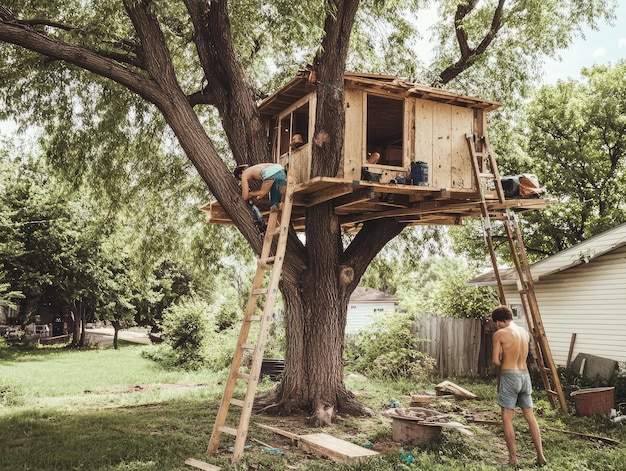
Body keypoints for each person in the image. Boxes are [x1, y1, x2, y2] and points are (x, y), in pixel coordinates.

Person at [491, 305, 547, 468]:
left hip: (510, 376)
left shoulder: (500, 334)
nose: (496, 326)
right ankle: (541, 457)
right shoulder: (524, 332)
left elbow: (495, 361)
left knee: (507, 418)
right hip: (525, 376)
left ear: (500, 321)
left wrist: (501, 358)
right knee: (530, 417)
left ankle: (513, 459)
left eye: (496, 323)